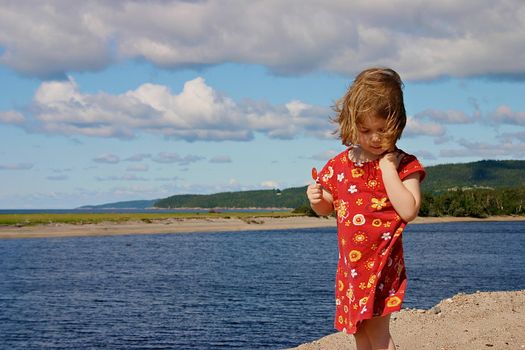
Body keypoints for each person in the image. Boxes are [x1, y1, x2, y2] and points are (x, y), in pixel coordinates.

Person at [306, 67, 426, 350]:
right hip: (351, 268)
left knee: (378, 333)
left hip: (382, 265)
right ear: (352, 124)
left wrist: (387, 170)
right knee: (359, 331)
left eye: (382, 130)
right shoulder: (340, 164)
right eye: (366, 130)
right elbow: (327, 207)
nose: (374, 138)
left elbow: (408, 210)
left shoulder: (403, 163)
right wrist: (315, 200)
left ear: (397, 124)